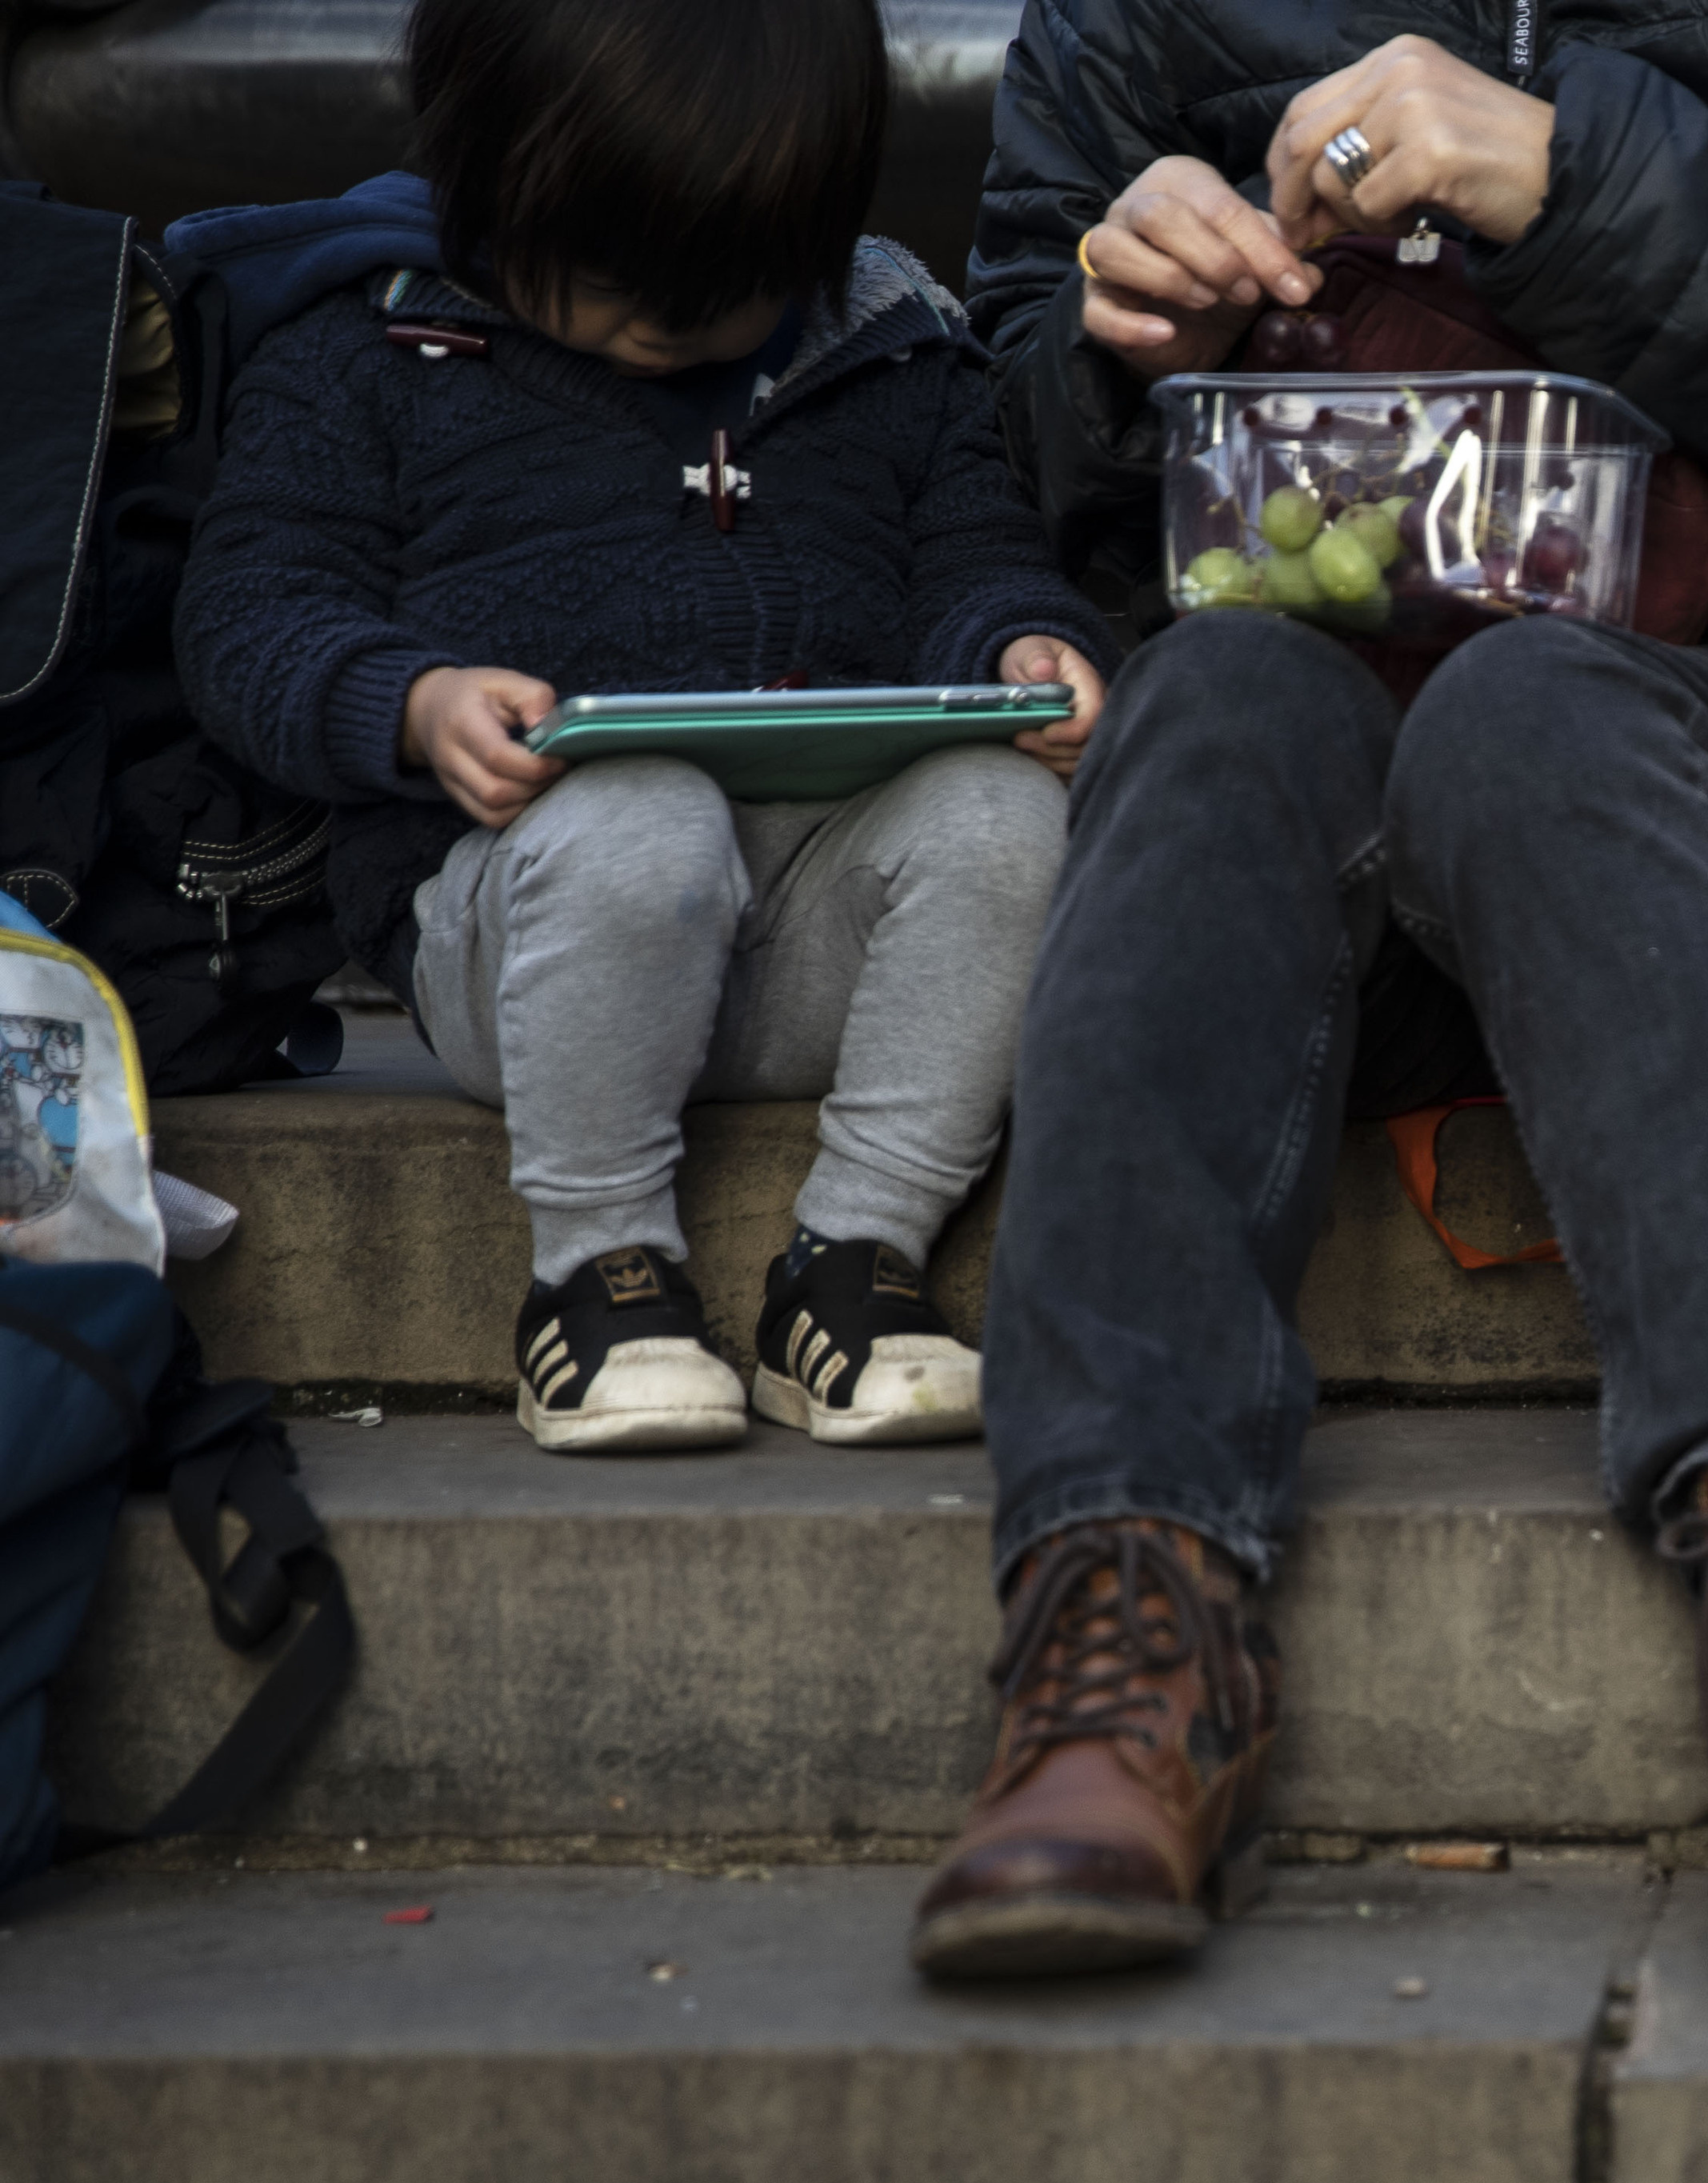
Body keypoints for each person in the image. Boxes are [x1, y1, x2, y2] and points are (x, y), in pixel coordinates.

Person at [918, 0, 1708, 1979]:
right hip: (1321, 759)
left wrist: (1576, 182)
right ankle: (1124, 1611)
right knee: (1208, 703)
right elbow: (994, 412)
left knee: (1529, 717)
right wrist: (1124, 348)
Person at [177, 0, 1114, 1455]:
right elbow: (248, 610)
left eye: (730, 284)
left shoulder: (894, 344)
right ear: (491, 184)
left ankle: (855, 1264)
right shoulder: (366, 346)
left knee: (1010, 815)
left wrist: (1020, 646)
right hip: (529, 929)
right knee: (642, 808)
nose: (665, 325)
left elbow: (976, 554)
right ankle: (598, 1275)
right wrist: (411, 704)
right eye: (613, 278)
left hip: (821, 933)